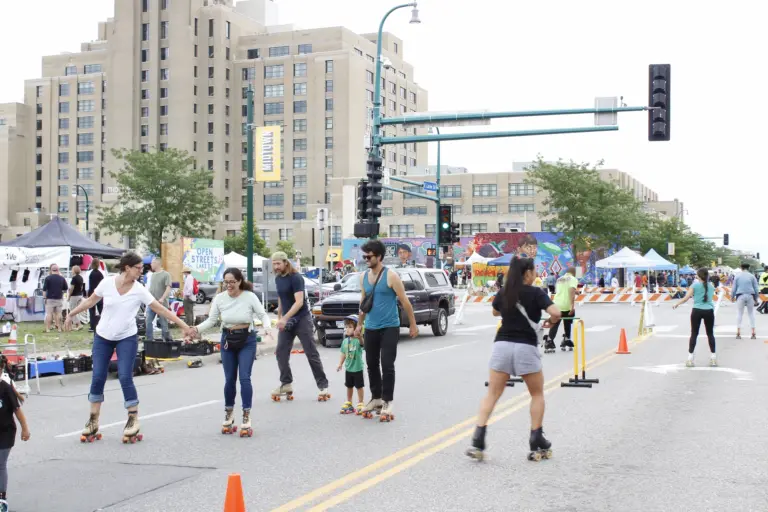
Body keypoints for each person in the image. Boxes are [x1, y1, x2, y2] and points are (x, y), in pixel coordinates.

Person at [65, 252, 194, 443]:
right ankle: (93, 420)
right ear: (127, 268)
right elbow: (91, 300)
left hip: (127, 337)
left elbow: (160, 309)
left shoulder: (139, 289)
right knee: (98, 375)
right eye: (139, 268)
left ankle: (133, 419)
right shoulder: (107, 283)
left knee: (125, 375)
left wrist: (184, 326)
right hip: (103, 336)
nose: (142, 271)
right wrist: (70, 314)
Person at [466, 257, 561, 461]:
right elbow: (556, 312)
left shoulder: (505, 292)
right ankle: (536, 438)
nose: (535, 273)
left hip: (502, 346)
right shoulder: (537, 293)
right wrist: (551, 322)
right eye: (534, 269)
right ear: (527, 273)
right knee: (536, 394)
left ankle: (478, 438)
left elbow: (494, 311)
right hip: (525, 346)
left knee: (492, 393)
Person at [189, 268, 273, 436]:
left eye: (232, 282)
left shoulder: (249, 296)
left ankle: (246, 415)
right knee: (229, 379)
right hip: (228, 339)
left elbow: (262, 314)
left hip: (246, 340)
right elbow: (212, 321)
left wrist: (267, 328)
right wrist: (195, 329)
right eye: (226, 282)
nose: (229, 285)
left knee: (244, 378)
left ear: (239, 281)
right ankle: (228, 413)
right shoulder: (220, 299)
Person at [354, 240, 418, 422]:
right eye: (364, 256)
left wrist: (413, 324)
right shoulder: (363, 277)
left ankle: (388, 401)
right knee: (371, 363)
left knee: (387, 364)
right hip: (371, 327)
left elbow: (405, 301)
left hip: (390, 326)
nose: (366, 259)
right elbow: (363, 303)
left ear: (379, 257)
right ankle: (376, 398)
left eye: (369, 256)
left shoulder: (391, 276)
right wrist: (359, 324)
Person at [271, 252, 330, 402]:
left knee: (311, 352)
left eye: (278, 263)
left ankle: (323, 386)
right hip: (287, 320)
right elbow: (281, 298)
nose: (275, 266)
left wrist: (285, 317)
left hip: (301, 319)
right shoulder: (278, 279)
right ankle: (286, 383)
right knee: (280, 351)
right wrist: (279, 317)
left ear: (285, 263)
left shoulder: (296, 278)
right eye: (274, 264)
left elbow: (299, 302)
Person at [0, 354, 30, 512]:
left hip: (5, 432)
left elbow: (17, 410)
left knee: (0, 464)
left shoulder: (5, 388)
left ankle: (1, 499)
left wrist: (25, 428)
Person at [673, 267, 717, 367]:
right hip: (709, 310)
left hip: (697, 310)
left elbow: (686, 298)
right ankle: (713, 358)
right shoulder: (711, 286)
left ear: (699, 275)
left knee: (694, 334)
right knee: (710, 334)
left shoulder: (695, 285)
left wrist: (677, 304)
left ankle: (690, 358)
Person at [543, 267, 578, 353]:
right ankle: (566, 339)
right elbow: (571, 292)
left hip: (556, 304)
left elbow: (561, 290)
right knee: (567, 322)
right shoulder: (573, 279)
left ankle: (550, 340)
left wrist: (575, 291)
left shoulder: (559, 279)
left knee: (555, 323)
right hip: (566, 305)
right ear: (574, 272)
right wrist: (572, 306)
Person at [337, 315, 365, 415]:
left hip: (357, 369)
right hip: (348, 369)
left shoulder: (358, 341)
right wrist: (340, 364)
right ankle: (349, 402)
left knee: (359, 386)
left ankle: (361, 403)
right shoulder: (345, 341)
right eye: (346, 327)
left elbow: (362, 343)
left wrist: (360, 336)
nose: (347, 329)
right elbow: (343, 353)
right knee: (349, 386)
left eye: (350, 327)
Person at [145, 257, 173, 342]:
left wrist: (162, 298)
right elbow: (151, 289)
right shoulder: (152, 275)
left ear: (157, 263)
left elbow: (168, 288)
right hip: (152, 303)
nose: (151, 264)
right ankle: (149, 340)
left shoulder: (166, 274)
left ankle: (165, 340)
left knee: (163, 323)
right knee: (148, 321)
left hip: (162, 304)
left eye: (152, 263)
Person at [731, 263, 759, 340]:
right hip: (750, 295)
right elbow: (756, 288)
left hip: (740, 295)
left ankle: (738, 332)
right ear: (748, 267)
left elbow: (734, 288)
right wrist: (756, 298)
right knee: (751, 314)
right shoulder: (752, 276)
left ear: (741, 268)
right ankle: (753, 332)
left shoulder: (737, 276)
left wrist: (732, 297)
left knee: (740, 313)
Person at [42, 264, 68, 333]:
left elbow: (44, 289)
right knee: (59, 313)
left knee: (49, 314)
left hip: (49, 298)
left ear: (51, 270)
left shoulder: (48, 278)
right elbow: (65, 289)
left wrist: (44, 298)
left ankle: (47, 329)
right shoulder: (62, 278)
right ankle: (59, 328)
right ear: (58, 270)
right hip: (59, 298)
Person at [88, 258, 104, 333]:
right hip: (100, 294)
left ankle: (92, 325)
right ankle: (103, 323)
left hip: (92, 293)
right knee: (101, 310)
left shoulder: (90, 273)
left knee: (92, 310)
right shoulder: (100, 274)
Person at [67, 265, 86, 331]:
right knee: (77, 310)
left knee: (72, 311)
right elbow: (82, 287)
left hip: (74, 295)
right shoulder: (81, 277)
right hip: (79, 295)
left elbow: (72, 288)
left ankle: (78, 323)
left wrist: (69, 296)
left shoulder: (74, 278)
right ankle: (77, 323)